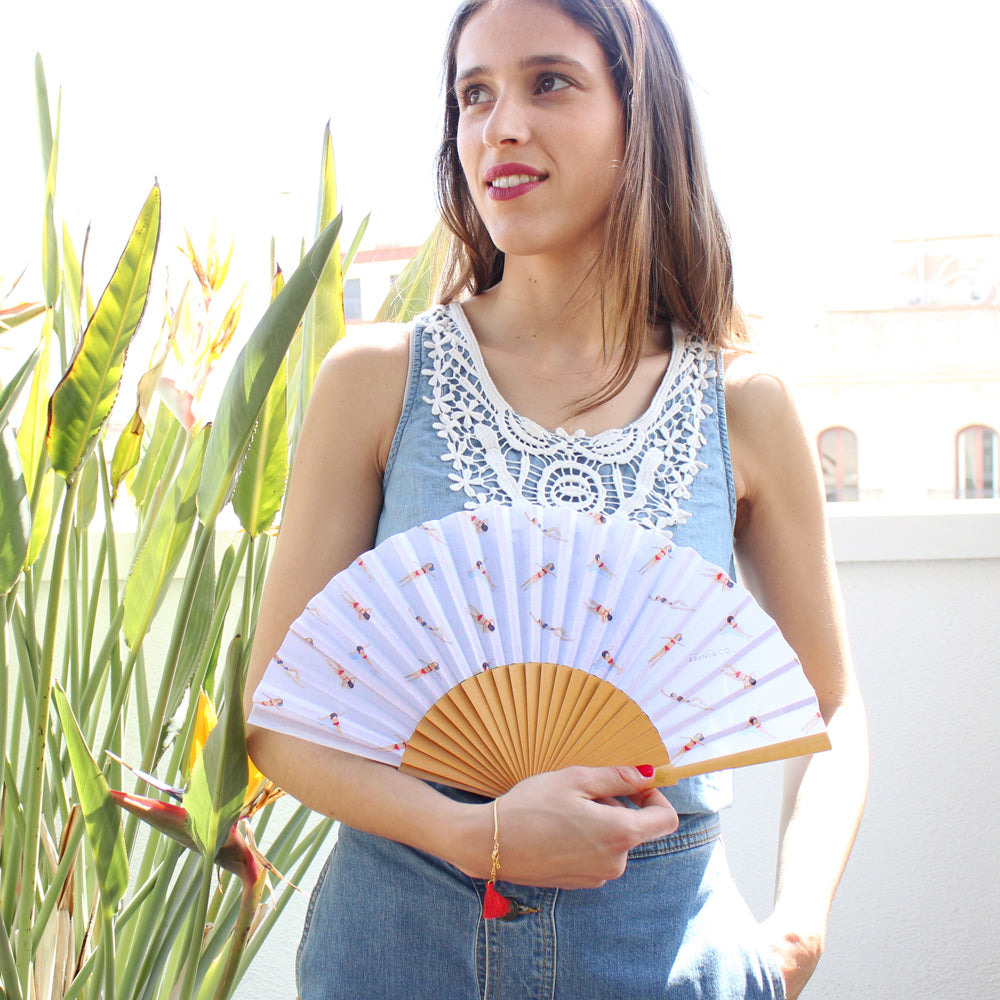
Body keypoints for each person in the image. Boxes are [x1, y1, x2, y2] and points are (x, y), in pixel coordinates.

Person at [243, 1, 869, 997]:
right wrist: (474, 833)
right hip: (400, 942)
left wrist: (797, 932)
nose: (501, 126)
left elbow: (830, 707)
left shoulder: (742, 405)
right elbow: (278, 720)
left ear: (640, 117)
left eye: (549, 83)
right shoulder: (376, 380)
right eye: (474, 95)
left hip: (664, 950)